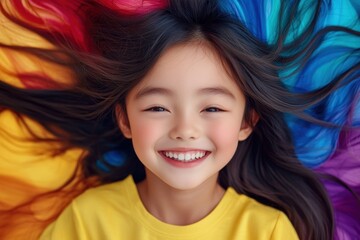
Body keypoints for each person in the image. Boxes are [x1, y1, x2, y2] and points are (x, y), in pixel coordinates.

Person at [0, 0, 358, 239]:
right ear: (124, 120)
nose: (185, 130)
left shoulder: (267, 231)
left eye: (212, 108)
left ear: (247, 122)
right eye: (157, 108)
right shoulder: (85, 221)